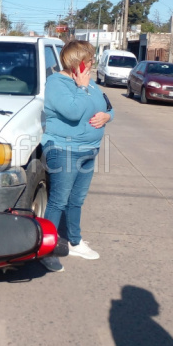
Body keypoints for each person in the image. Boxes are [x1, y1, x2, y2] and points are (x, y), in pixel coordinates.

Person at [40, 40, 114, 273]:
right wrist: (81, 87)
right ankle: (46, 249)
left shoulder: (89, 83)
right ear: (78, 63)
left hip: (89, 150)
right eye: (90, 59)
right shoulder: (56, 83)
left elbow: (106, 105)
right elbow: (72, 112)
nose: (93, 63)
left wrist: (107, 116)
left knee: (77, 200)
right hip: (65, 150)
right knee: (58, 201)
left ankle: (74, 241)